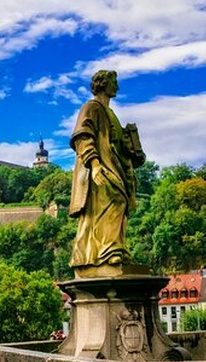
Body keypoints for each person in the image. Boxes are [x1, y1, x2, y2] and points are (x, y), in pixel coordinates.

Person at [69, 70, 145, 272]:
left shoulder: (111, 114)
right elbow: (82, 137)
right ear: (103, 84)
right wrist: (94, 165)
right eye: (114, 82)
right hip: (99, 169)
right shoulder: (90, 107)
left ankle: (115, 249)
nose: (117, 87)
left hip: (115, 166)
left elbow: (118, 146)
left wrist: (131, 146)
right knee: (115, 200)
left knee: (120, 203)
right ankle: (108, 251)